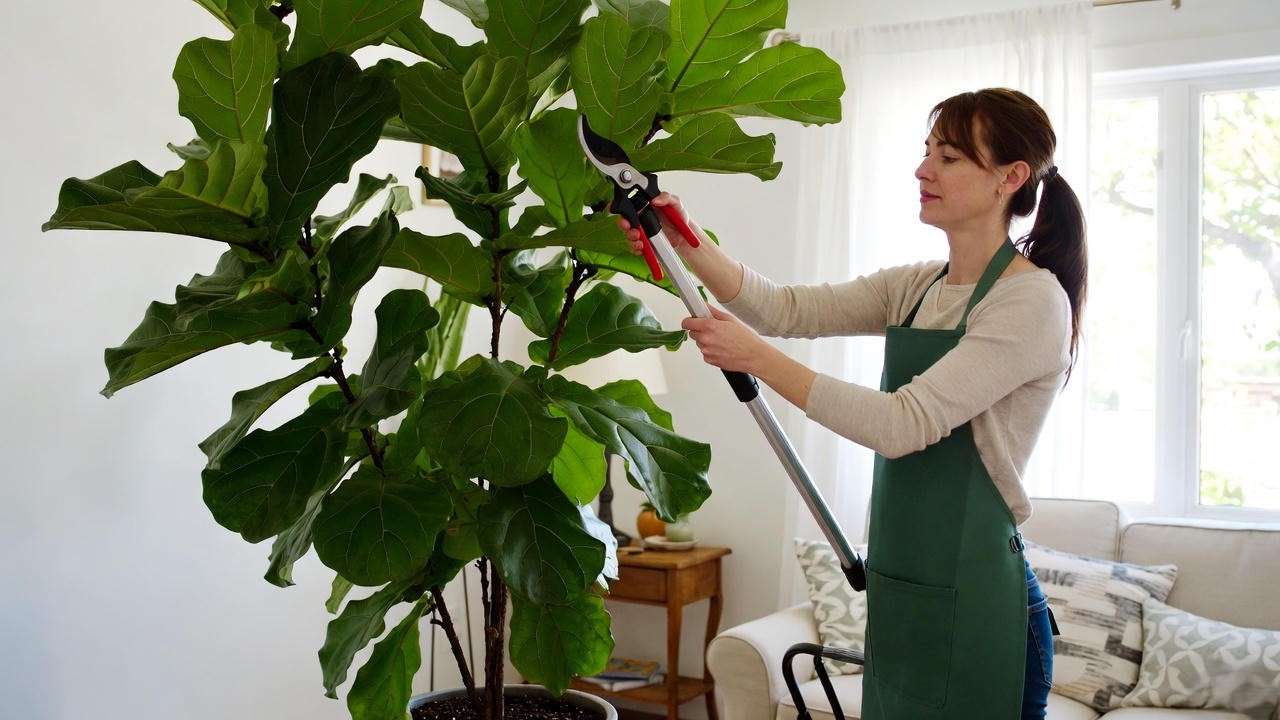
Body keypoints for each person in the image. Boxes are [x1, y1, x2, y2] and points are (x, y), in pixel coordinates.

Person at [614, 88, 1086, 719]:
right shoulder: (917, 287)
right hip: (905, 594)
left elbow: (903, 424)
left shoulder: (1031, 302)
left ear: (1011, 177)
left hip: (982, 608)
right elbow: (783, 309)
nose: (923, 170)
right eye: (927, 152)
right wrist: (682, 237)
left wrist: (754, 358)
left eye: (948, 157)